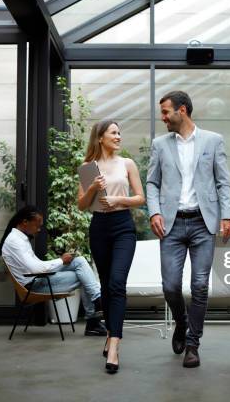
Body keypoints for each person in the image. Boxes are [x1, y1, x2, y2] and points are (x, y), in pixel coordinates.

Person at [147, 90, 230, 368]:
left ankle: (193, 344)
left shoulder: (213, 140)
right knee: (170, 286)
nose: (163, 118)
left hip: (202, 222)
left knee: (199, 286)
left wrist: (227, 216)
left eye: (165, 112)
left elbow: (223, 182)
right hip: (171, 225)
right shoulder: (160, 144)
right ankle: (181, 322)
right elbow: (151, 183)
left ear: (182, 110)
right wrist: (155, 211)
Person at [77, 120, 145, 374]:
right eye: (114, 132)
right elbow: (82, 205)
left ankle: (114, 346)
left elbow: (140, 198)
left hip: (123, 227)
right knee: (106, 284)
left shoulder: (127, 164)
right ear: (100, 137)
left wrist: (118, 199)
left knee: (117, 283)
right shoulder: (87, 168)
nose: (119, 136)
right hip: (99, 228)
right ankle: (110, 333)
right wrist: (93, 187)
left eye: (119, 132)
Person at [0, 205, 107, 336]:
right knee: (82, 275)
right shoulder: (15, 241)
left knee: (80, 261)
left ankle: (97, 302)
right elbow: (36, 269)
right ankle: (94, 316)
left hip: (38, 279)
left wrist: (62, 260)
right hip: (33, 286)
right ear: (24, 222)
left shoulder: (19, 238)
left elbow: (37, 265)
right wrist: (61, 260)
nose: (39, 230)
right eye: (37, 225)